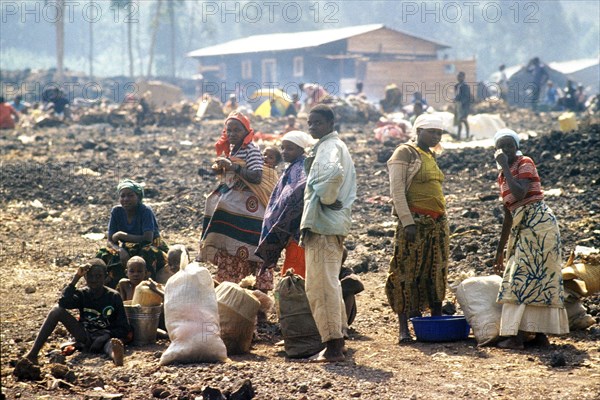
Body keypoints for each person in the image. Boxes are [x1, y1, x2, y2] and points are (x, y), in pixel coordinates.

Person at [493, 128, 569, 349]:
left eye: (510, 145)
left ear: (517, 147)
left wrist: (505, 165)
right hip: (522, 227)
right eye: (501, 146)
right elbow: (509, 215)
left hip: (540, 225)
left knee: (533, 277)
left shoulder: (524, 162)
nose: (506, 149)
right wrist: (499, 251)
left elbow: (520, 194)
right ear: (495, 150)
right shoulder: (502, 177)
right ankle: (535, 335)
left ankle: (523, 336)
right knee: (528, 276)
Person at [385, 114, 449, 343]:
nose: (436, 136)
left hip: (437, 223)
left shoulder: (430, 154)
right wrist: (407, 221)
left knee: (436, 270)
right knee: (406, 272)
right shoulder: (404, 153)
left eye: (439, 133)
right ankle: (404, 328)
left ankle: (436, 322)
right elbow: (397, 191)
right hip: (415, 222)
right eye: (431, 131)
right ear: (418, 131)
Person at [300, 104, 357, 362]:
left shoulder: (329, 147)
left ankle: (333, 346)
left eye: (318, 123)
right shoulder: (332, 145)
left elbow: (333, 172)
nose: (312, 127)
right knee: (329, 283)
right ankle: (338, 340)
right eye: (310, 123)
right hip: (331, 224)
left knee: (321, 286)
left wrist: (325, 197)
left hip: (323, 224)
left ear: (331, 123)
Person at [198, 111, 277, 292]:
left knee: (224, 212)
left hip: (250, 203)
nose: (232, 134)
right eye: (229, 130)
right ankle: (231, 282)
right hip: (235, 198)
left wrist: (232, 166)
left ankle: (255, 291)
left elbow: (256, 176)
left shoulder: (252, 150)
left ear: (246, 131)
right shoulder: (233, 149)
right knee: (214, 206)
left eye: (237, 130)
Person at [20, 259, 130, 366]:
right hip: (85, 335)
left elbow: (124, 327)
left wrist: (107, 335)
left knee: (111, 345)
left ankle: (116, 357)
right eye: (90, 276)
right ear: (85, 277)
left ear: (106, 277)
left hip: (105, 336)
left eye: (98, 276)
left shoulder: (113, 296)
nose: (94, 280)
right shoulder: (82, 294)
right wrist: (76, 278)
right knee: (56, 311)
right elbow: (63, 303)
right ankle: (32, 354)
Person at [256, 130, 314, 279]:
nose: (284, 152)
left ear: (301, 149)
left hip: (296, 232)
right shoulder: (293, 167)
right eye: (283, 148)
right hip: (290, 232)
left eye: (290, 148)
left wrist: (282, 224)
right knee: (291, 271)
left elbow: (295, 198)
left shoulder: (302, 169)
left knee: (295, 276)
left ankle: (296, 301)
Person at [96, 179, 169, 288]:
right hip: (127, 247)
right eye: (123, 196)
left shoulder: (145, 211)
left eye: (130, 195)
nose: (126, 199)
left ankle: (148, 287)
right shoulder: (116, 211)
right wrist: (120, 250)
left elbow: (147, 239)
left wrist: (122, 235)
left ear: (138, 197)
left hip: (150, 245)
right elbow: (110, 241)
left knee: (146, 254)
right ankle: (110, 288)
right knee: (104, 254)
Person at [454, 71, 471, 139]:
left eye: (460, 76)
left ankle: (467, 136)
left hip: (464, 106)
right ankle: (458, 136)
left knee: (464, 120)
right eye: (458, 76)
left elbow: (467, 97)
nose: (458, 78)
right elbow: (457, 95)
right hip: (458, 105)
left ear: (464, 77)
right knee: (458, 121)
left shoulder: (465, 86)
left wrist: (462, 104)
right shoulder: (457, 85)